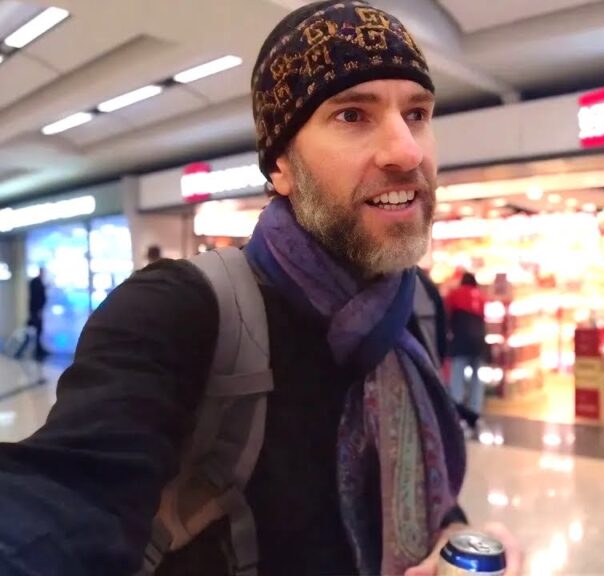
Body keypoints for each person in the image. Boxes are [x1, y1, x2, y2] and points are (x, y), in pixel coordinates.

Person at [0, 3, 519, 575]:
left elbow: (422, 486)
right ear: (281, 168)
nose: (407, 150)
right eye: (352, 115)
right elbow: (67, 497)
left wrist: (454, 538)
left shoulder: (415, 301)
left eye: (417, 113)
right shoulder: (179, 311)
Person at [445, 272, 488, 435]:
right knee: (476, 378)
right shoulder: (482, 297)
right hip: (479, 343)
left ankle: (457, 413)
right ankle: (475, 411)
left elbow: (447, 315)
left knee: (457, 376)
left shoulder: (455, 294)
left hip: (460, 340)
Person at [26, 268, 48, 361]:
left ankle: (38, 349)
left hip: (37, 310)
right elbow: (36, 297)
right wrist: (38, 310)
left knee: (38, 330)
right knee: (37, 330)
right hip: (36, 310)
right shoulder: (36, 282)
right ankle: (37, 350)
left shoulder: (38, 282)